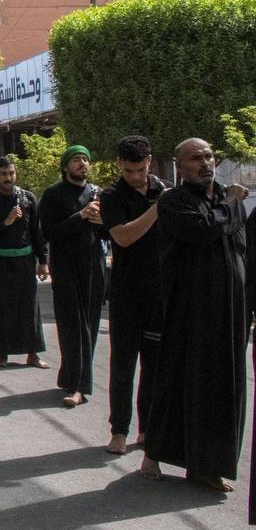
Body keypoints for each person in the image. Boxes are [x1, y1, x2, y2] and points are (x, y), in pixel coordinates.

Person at [141, 138, 249, 492]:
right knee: (179, 381)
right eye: (196, 158)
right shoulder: (173, 201)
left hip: (230, 311)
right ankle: (154, 452)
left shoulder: (225, 199)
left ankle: (207, 466)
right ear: (180, 166)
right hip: (191, 311)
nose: (206, 163)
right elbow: (204, 231)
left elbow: (242, 249)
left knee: (224, 387)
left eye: (209, 156)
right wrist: (232, 202)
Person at [99, 135, 169, 454]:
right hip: (127, 293)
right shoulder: (111, 196)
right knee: (123, 365)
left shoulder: (165, 190)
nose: (136, 176)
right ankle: (119, 430)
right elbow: (123, 237)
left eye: (141, 169)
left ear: (149, 162)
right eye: (129, 171)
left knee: (154, 366)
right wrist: (157, 210)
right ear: (119, 166)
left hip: (160, 293)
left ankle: (146, 429)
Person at [39, 144, 107, 408]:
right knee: (72, 325)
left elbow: (108, 232)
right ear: (66, 165)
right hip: (66, 267)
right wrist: (80, 216)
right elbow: (49, 232)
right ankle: (76, 382)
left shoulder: (97, 193)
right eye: (77, 159)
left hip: (93, 266)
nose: (82, 164)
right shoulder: (53, 194)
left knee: (89, 324)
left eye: (85, 160)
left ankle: (77, 381)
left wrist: (101, 222)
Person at [0, 157, 49, 368]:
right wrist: (5, 223)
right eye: (4, 174)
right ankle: (2, 354)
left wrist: (43, 261)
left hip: (24, 262)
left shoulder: (28, 198)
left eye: (11, 173)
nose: (8, 178)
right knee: (0, 308)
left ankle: (33, 354)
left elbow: (36, 232)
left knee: (28, 308)